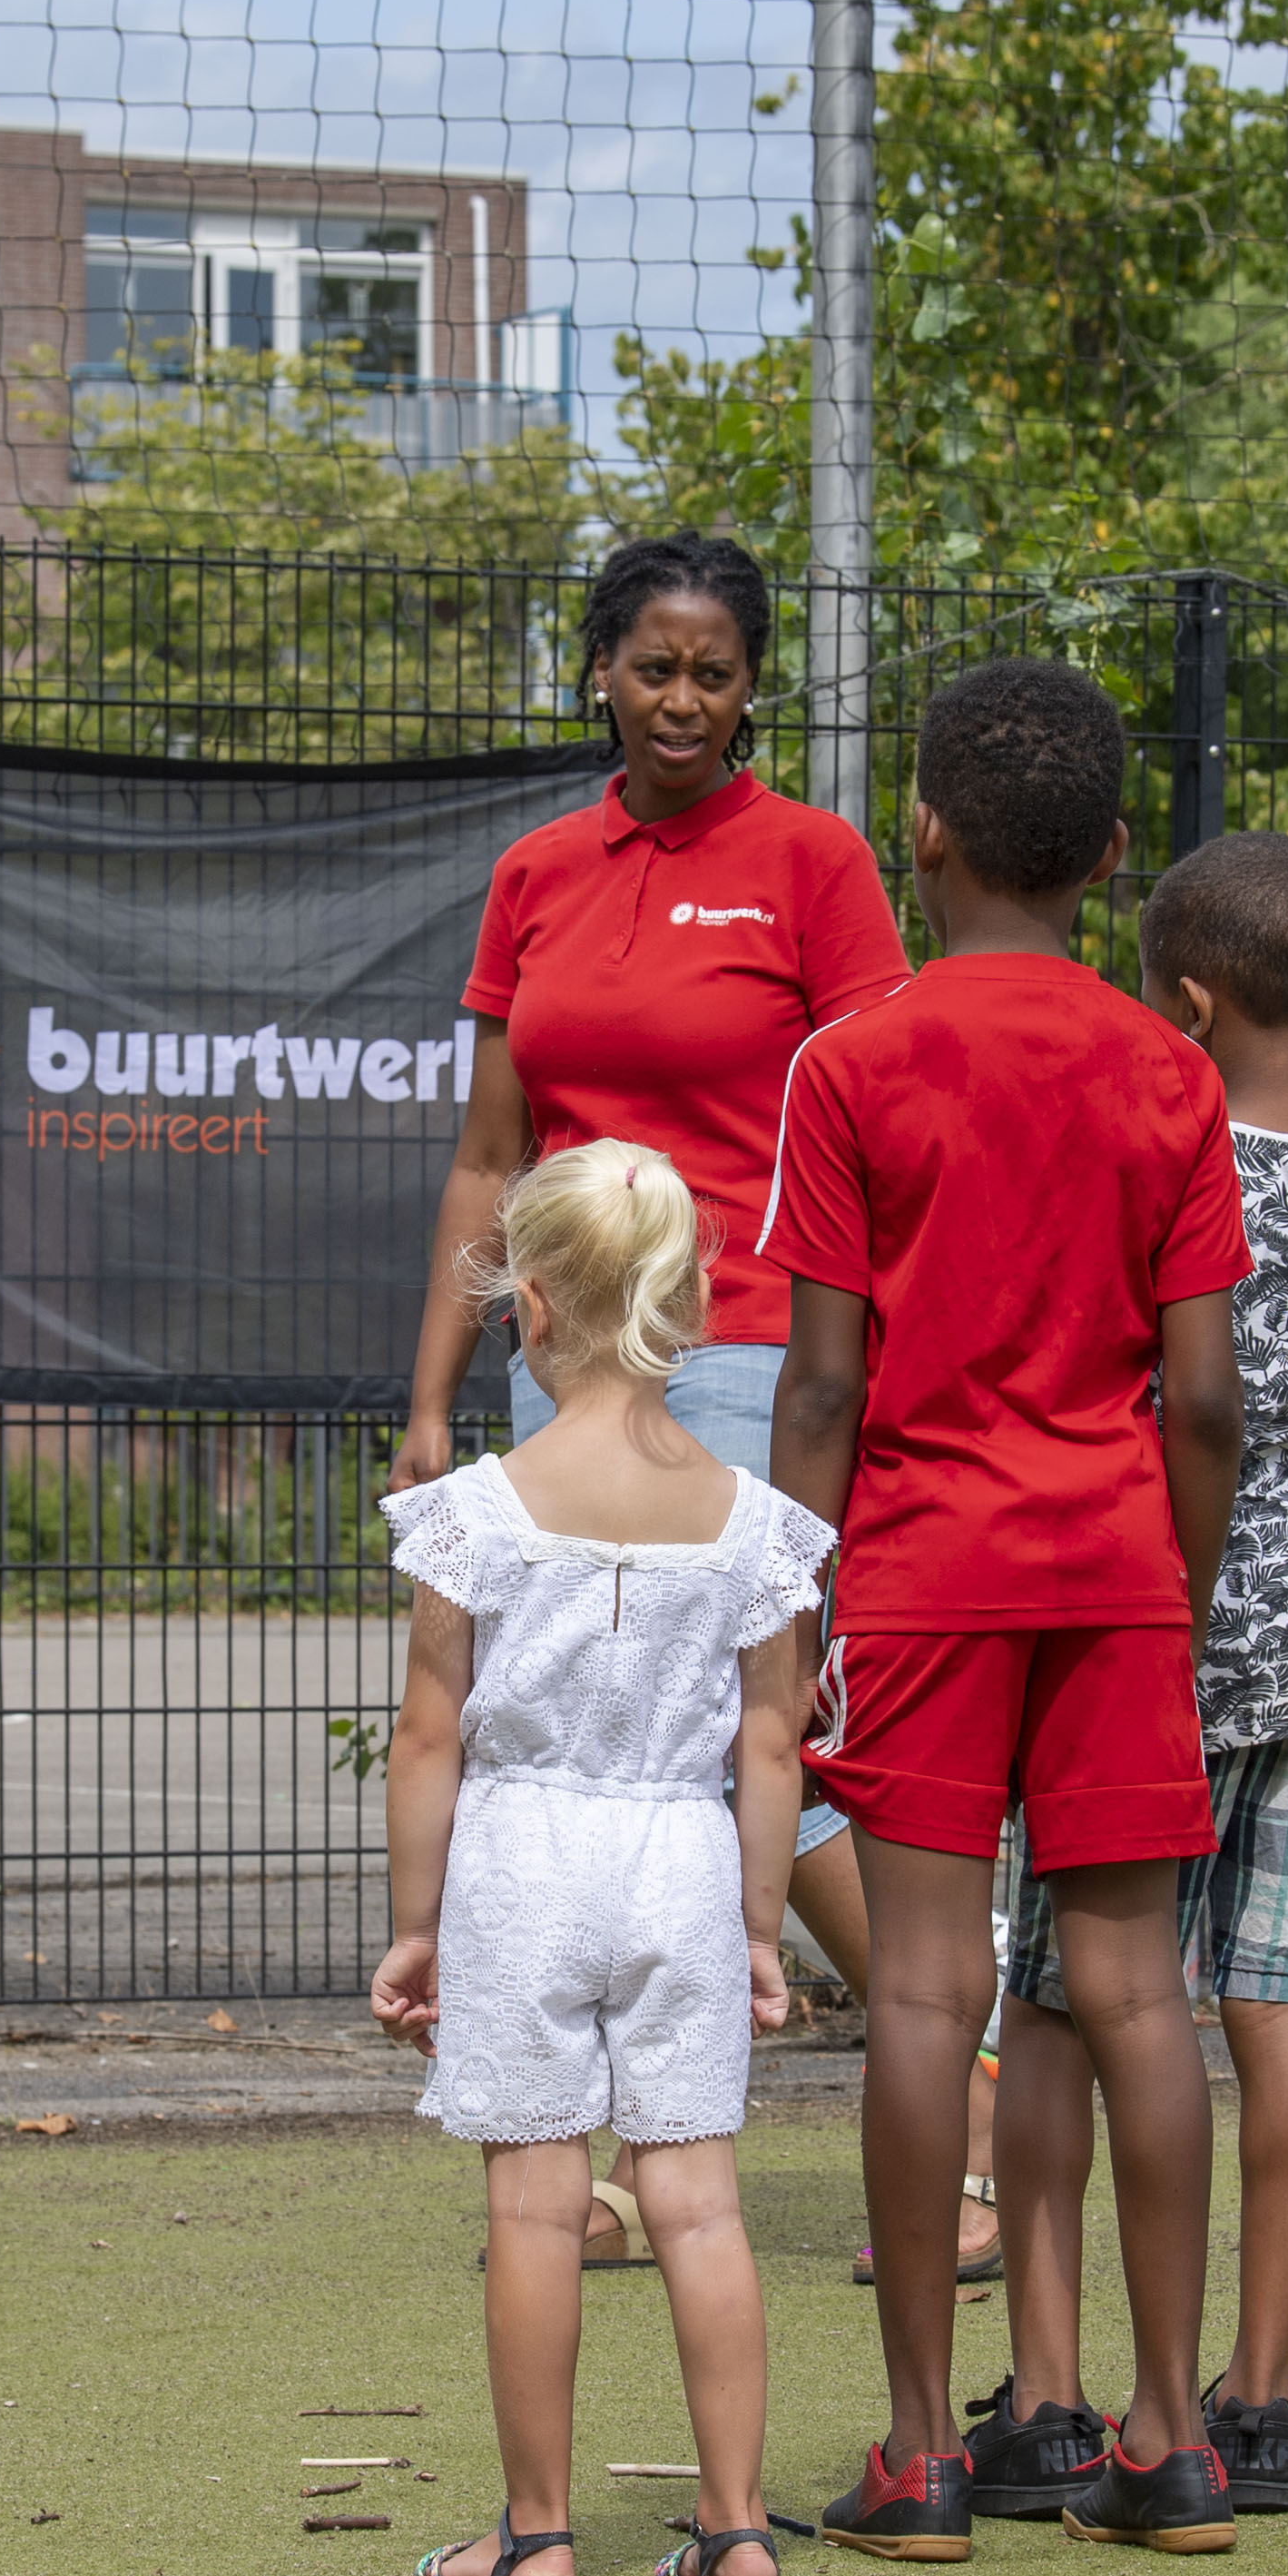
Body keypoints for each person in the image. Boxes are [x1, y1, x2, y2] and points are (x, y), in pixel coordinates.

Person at [394, 533, 938, 2270]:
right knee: (618, 1743)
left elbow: (886, 1125)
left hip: (755, 1349)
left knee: (756, 1746)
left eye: (714, 671)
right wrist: (432, 1398)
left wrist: (861, 1374)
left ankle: (967, 2099)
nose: (683, 698)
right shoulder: (535, 871)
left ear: (752, 685)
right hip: (566, 1361)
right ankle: (641, 2151)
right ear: (602, 673)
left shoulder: (814, 864)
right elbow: (492, 1155)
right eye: (653, 667)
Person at [765, 658, 1253, 2564]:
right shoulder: (1168, 1070)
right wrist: (1174, 1590)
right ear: (1118, 857)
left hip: (924, 1569)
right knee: (1143, 1998)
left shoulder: (854, 1062)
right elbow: (1205, 1397)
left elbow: (817, 1383)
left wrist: (789, 1605)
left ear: (923, 829)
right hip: (1116, 1572)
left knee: (917, 1989)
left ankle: (917, 2458)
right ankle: (1168, 2436)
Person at [963, 834, 1288, 2522]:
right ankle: (1262, 2395)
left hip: (1149, 1594)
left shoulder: (1154, 1140)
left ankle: (1048, 2389)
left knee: (1065, 1999)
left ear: (1187, 996)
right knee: (1283, 2005)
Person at [370, 1142, 825, 2576]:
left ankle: (537, 2529)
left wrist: (414, 1925)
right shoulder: (752, 1524)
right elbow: (773, 1750)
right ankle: (738, 2524)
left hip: (524, 1859)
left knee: (533, 2206)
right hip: (682, 1856)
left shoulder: (483, 1509)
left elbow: (427, 1734)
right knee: (698, 2202)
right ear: (687, 1303)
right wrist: (761, 1927)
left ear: (534, 1305)